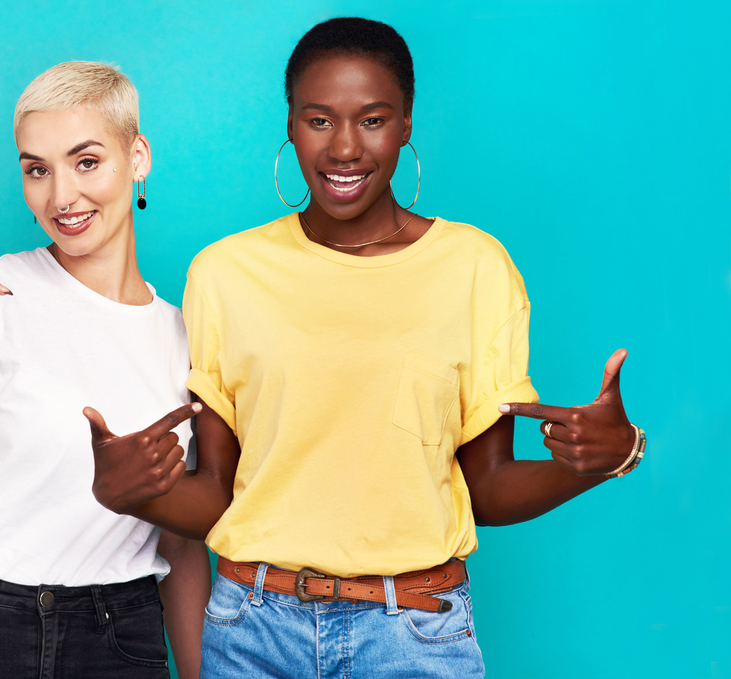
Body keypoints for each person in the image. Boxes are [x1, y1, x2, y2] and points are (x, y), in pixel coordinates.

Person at [89, 18, 645, 678]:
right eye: (319, 120)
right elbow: (218, 490)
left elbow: (485, 489)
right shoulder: (226, 273)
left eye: (372, 120)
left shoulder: (474, 266)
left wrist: (598, 461)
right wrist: (130, 494)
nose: (343, 148)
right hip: (251, 630)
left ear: (406, 123)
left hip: (412, 633)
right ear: (290, 125)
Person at [0, 61, 209, 679]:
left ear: (138, 157)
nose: (61, 197)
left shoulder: (186, 338)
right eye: (37, 170)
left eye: (86, 162)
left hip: (120, 636)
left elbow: (181, 543)